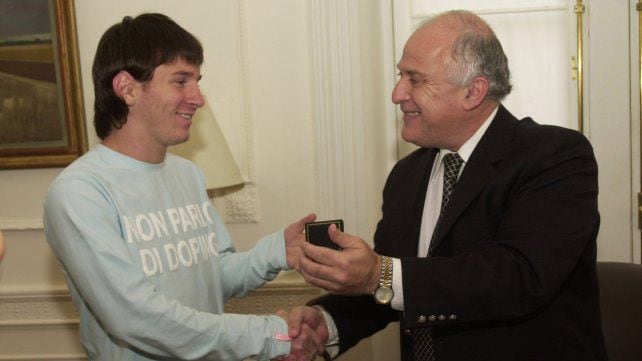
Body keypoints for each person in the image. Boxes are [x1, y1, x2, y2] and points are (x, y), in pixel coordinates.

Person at [289, 9, 608, 361]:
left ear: (473, 91)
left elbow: (519, 277)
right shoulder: (406, 175)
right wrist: (328, 321)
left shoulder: (554, 156)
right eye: (400, 76)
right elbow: (395, 291)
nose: (397, 94)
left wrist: (379, 273)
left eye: (415, 79)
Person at [43, 13, 325, 361]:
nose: (198, 98)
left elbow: (212, 277)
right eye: (181, 81)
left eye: (197, 81)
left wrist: (277, 252)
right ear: (127, 88)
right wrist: (270, 335)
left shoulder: (187, 174)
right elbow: (135, 318)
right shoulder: (79, 193)